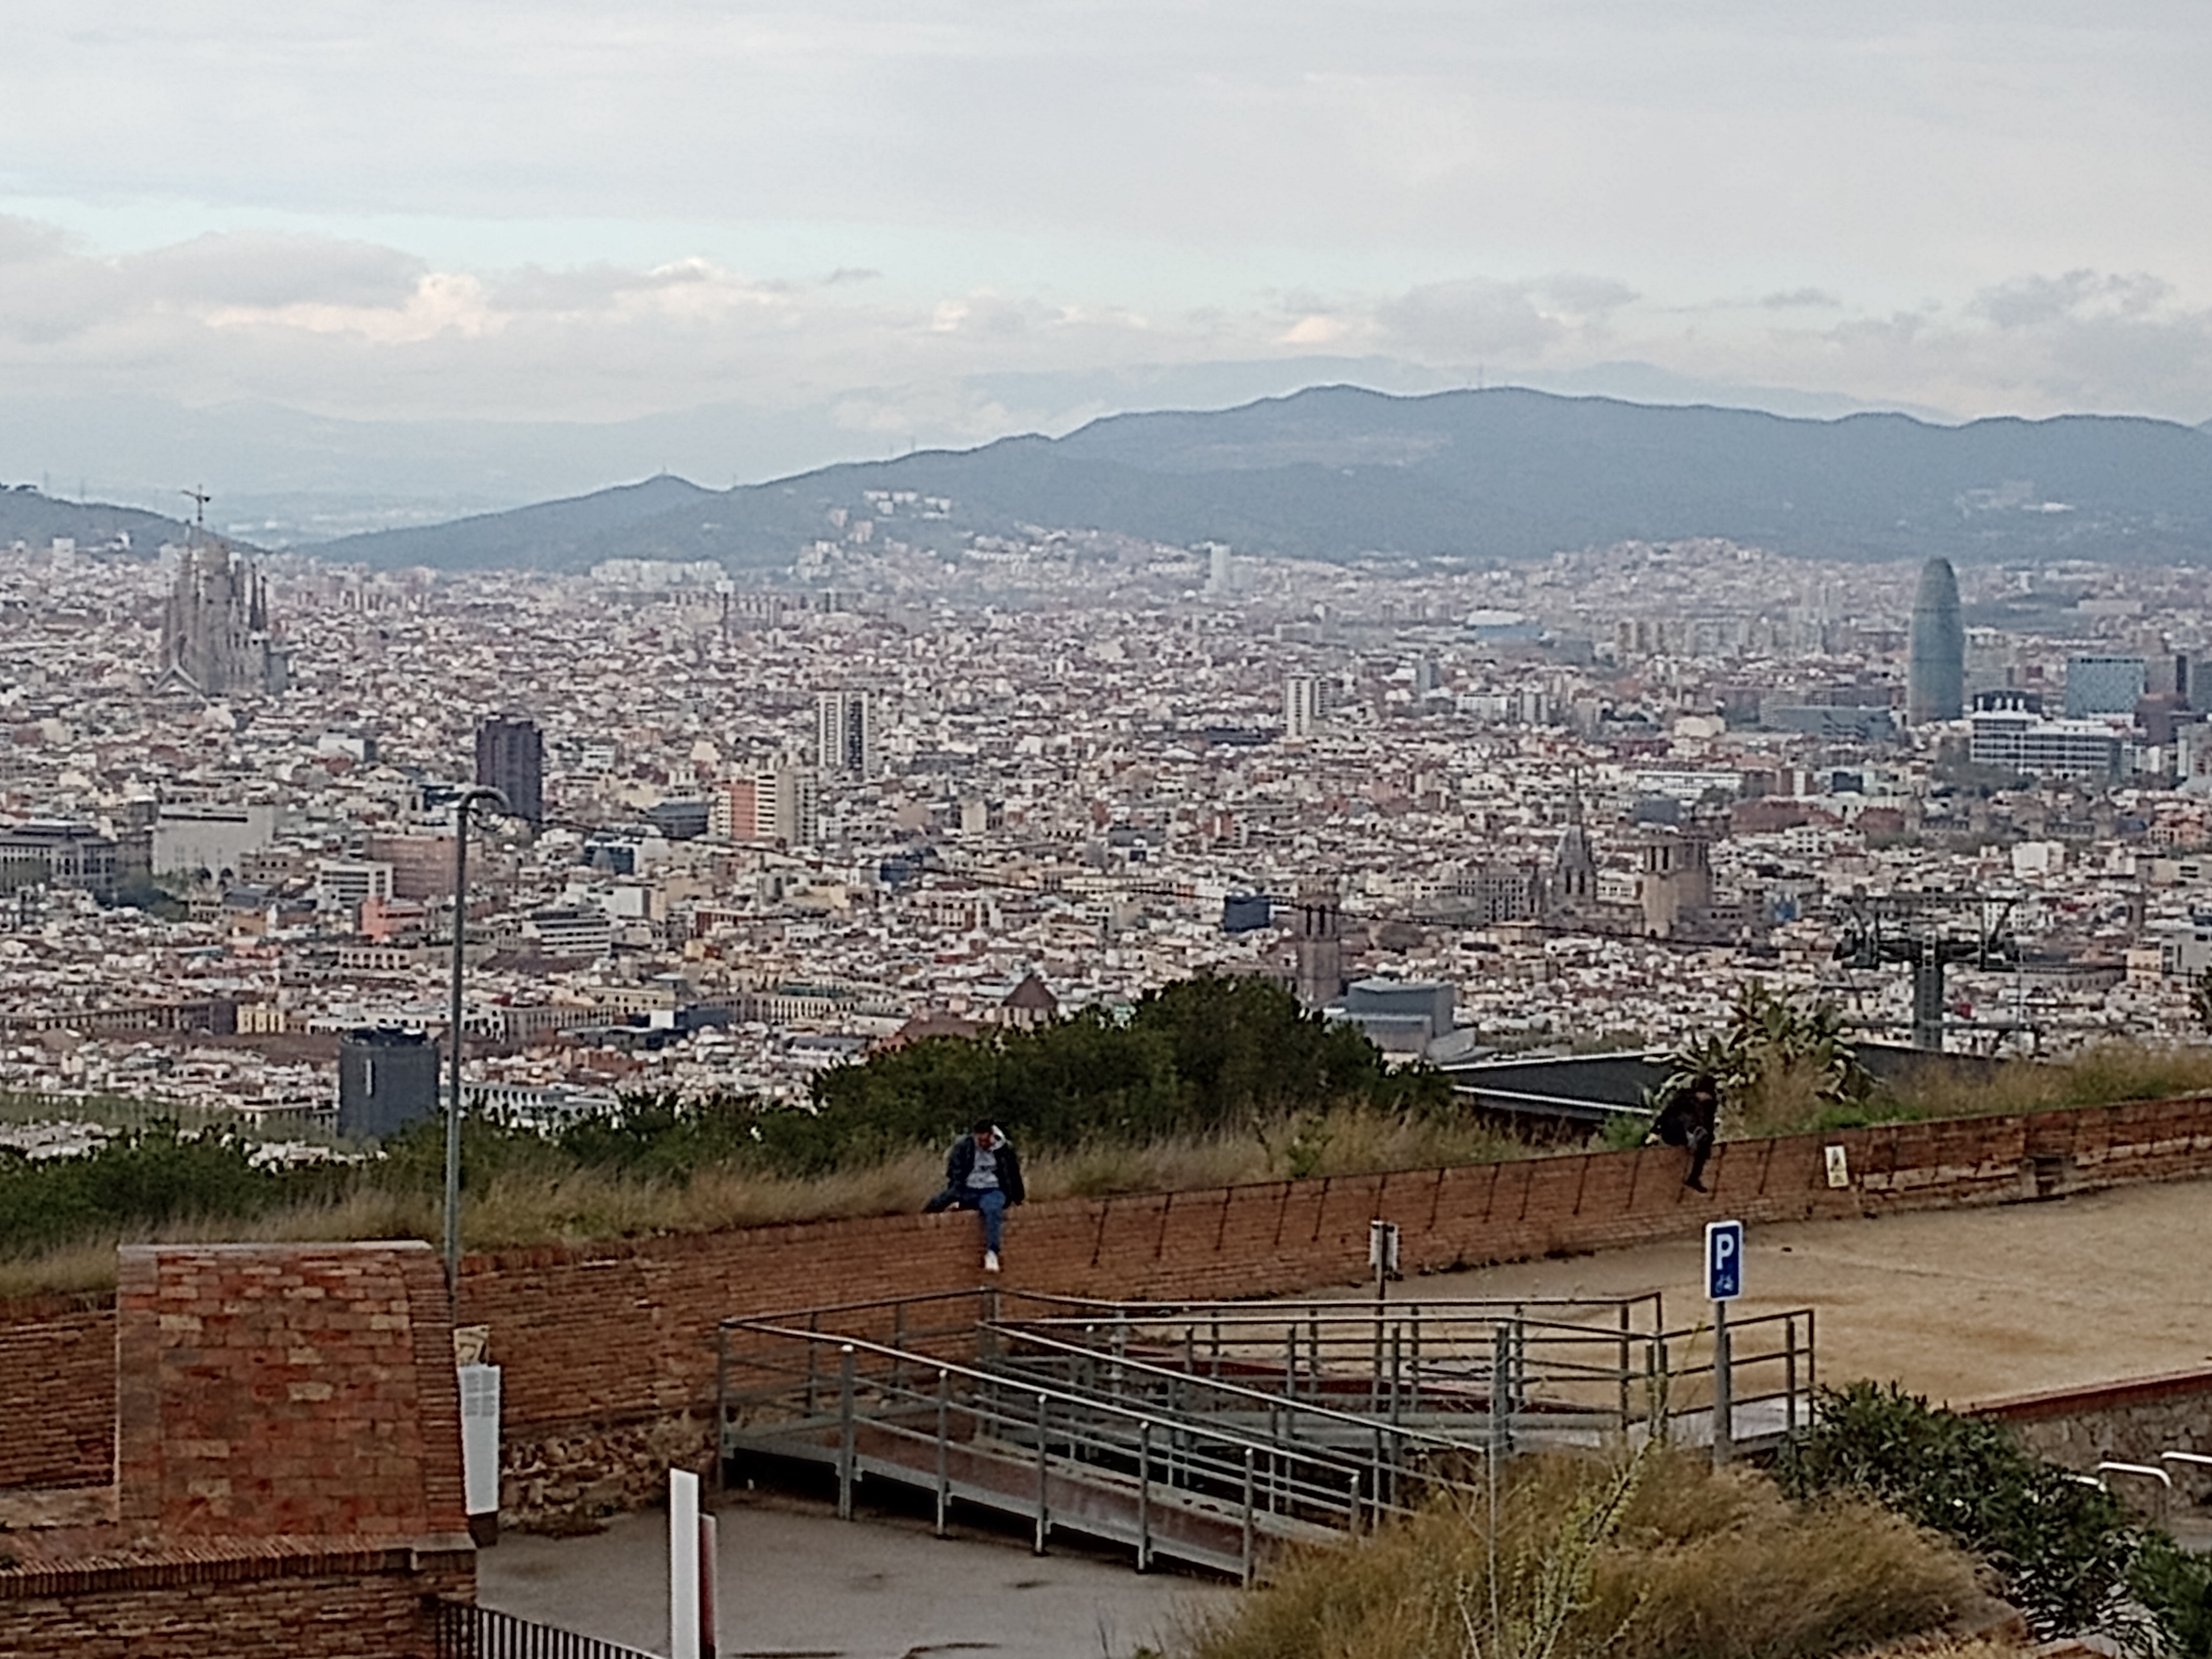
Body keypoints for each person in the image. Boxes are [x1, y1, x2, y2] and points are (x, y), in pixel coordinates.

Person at [924, 1120, 1025, 1272]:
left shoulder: (1003, 1149)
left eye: (986, 1140)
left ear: (992, 1135)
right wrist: (957, 1188)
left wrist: (1017, 1198)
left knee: (992, 1210)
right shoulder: (964, 1147)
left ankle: (992, 1253)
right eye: (980, 1140)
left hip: (992, 1190)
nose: (984, 1144)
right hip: (968, 1189)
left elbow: (1012, 1174)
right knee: (940, 1201)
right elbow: (954, 1170)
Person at [1652, 1074, 1720, 1192]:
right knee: (1686, 1117)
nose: (1704, 1098)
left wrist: (1708, 1140)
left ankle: (1693, 1178)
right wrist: (1655, 1132)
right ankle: (1692, 1133)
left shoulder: (1709, 1105)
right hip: (1674, 1131)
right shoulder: (1685, 1099)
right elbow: (1665, 1114)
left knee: (1703, 1143)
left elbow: (1709, 1125)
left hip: (1689, 1136)